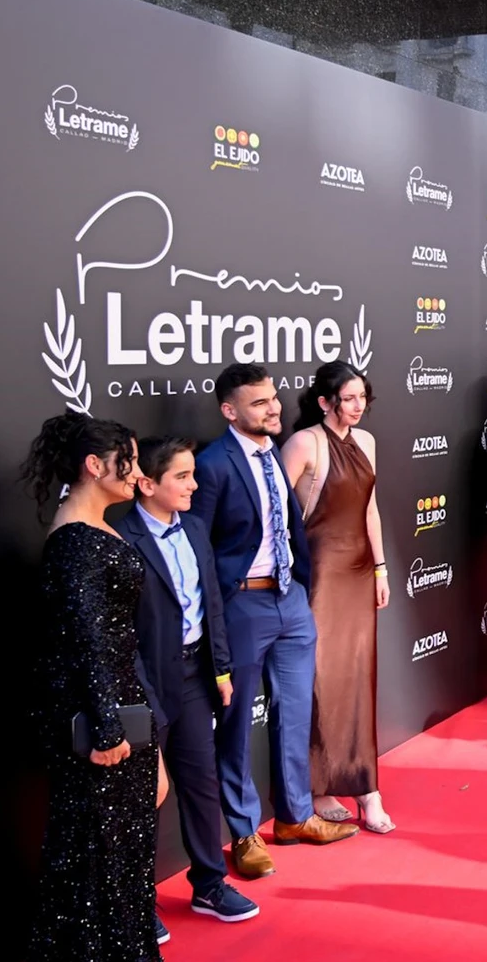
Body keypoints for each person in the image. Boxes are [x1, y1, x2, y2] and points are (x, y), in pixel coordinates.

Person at [193, 364, 357, 882]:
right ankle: (244, 832)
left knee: (295, 714)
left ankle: (293, 816)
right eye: (259, 402)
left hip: (290, 602)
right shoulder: (212, 465)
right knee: (236, 722)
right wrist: (219, 613)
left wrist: (300, 589)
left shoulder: (274, 453)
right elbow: (200, 549)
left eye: (274, 398)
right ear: (229, 411)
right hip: (241, 606)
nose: (273, 408)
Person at [23, 412, 161, 959]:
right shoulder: (76, 543)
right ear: (94, 465)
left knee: (119, 857)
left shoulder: (96, 528)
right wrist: (107, 730)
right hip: (101, 725)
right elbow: (87, 641)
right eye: (128, 461)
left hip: (120, 710)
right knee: (94, 860)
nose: (137, 474)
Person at [114, 436, 259, 930]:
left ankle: (209, 885)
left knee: (201, 782)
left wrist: (221, 668)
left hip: (197, 674)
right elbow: (118, 630)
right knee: (143, 794)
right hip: (143, 682)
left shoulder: (195, 527)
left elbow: (211, 604)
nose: (194, 485)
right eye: (182, 476)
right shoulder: (119, 536)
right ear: (146, 483)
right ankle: (136, 903)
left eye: (193, 474)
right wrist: (136, 694)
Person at [280, 361, 393, 834]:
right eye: (348, 398)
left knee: (358, 675)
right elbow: (277, 512)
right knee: (322, 677)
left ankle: (366, 786)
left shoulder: (366, 441)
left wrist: (381, 567)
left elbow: (370, 509)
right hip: (320, 571)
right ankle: (319, 784)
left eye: (362, 396)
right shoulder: (305, 442)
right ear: (325, 401)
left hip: (359, 570)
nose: (358, 405)